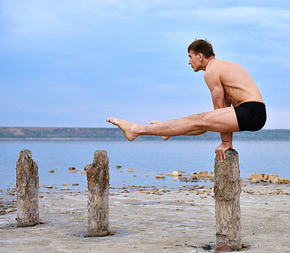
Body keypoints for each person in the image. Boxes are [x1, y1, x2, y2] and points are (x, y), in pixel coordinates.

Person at [107, 39, 266, 162]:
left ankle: (135, 130)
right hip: (254, 112)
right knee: (202, 124)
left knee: (199, 120)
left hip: (251, 111)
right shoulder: (223, 66)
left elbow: (219, 110)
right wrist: (226, 141)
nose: (189, 62)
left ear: (200, 56)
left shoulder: (211, 71)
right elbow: (223, 112)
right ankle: (165, 130)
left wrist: (226, 143)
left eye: (190, 57)